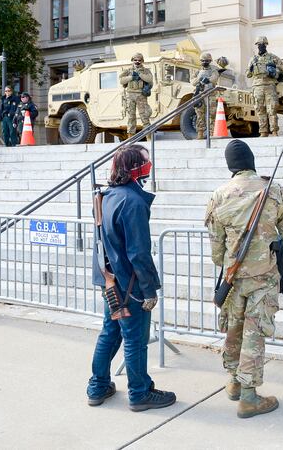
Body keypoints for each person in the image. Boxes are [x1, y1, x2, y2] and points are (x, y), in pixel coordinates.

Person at [205, 140, 283, 418]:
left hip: (233, 277)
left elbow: (216, 248)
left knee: (233, 327)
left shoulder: (219, 195)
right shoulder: (275, 190)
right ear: (252, 161)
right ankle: (248, 397)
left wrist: (228, 265)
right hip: (264, 276)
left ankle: (234, 381)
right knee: (254, 333)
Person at [87, 145, 176, 412]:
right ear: (136, 168)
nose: (149, 166)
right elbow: (138, 251)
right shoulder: (133, 201)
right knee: (135, 339)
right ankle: (139, 393)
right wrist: (149, 289)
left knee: (110, 333)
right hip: (129, 285)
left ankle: (98, 385)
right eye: (145, 162)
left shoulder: (107, 195)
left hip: (111, 279)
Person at [246, 36, 283, 137]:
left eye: (262, 44)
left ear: (266, 45)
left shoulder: (272, 57)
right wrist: (250, 69)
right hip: (257, 86)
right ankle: (263, 132)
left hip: (269, 85)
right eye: (259, 44)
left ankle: (274, 131)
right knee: (260, 109)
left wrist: (274, 69)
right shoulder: (253, 59)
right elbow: (248, 74)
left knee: (272, 109)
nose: (260, 46)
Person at [120, 53, 153, 137]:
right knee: (131, 117)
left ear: (142, 61)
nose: (137, 62)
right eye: (135, 60)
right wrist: (131, 77)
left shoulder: (146, 71)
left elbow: (149, 79)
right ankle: (130, 136)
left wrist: (140, 75)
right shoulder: (128, 71)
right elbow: (121, 80)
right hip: (130, 95)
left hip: (141, 95)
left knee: (144, 116)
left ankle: (148, 137)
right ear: (132, 60)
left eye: (139, 60)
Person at [192, 52, 220, 140]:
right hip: (200, 94)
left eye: (207, 61)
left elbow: (214, 79)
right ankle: (200, 133)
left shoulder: (213, 70)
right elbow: (193, 82)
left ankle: (212, 133)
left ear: (210, 61)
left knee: (212, 114)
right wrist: (199, 79)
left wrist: (207, 80)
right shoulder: (197, 71)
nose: (205, 62)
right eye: (203, 61)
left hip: (210, 94)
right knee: (200, 114)